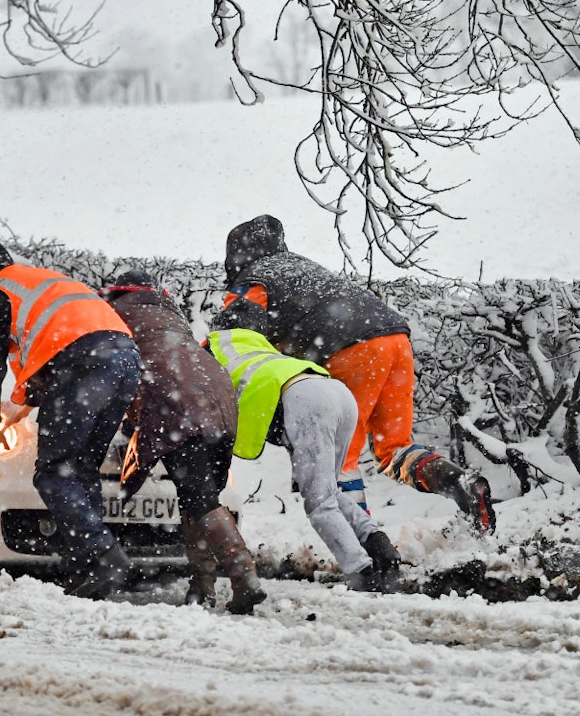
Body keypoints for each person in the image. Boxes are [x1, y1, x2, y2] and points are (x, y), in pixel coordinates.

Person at [212, 214, 495, 534]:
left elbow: (232, 340)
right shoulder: (305, 269)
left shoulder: (254, 280)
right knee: (393, 451)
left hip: (349, 349)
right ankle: (461, 483)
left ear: (236, 256)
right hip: (396, 340)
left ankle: (368, 546)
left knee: (338, 461)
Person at [0, 238, 142, 600]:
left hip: (86, 364)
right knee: (81, 468)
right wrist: (18, 409)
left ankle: (106, 555)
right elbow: (53, 351)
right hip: (126, 360)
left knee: (52, 472)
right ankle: (85, 571)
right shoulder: (44, 281)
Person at [100, 270, 267, 614]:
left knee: (199, 496)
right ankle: (201, 587)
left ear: (117, 293)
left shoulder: (115, 313)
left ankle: (244, 576)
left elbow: (119, 367)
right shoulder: (170, 312)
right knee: (199, 495)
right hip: (218, 395)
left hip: (176, 400)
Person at [206, 327, 403, 593]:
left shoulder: (213, 363)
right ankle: (380, 546)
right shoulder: (255, 350)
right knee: (329, 490)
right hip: (338, 392)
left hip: (305, 401)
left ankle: (361, 572)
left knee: (319, 504)